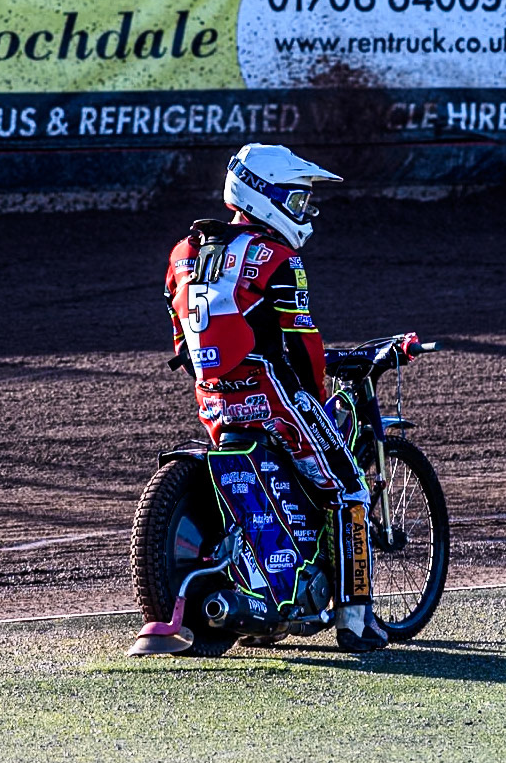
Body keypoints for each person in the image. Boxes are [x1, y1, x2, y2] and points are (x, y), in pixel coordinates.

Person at [164, 144, 397, 653]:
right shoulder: (279, 258)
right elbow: (302, 343)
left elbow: (180, 339)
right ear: (262, 195)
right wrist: (318, 398)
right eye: (296, 200)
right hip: (274, 398)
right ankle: (356, 622)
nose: (305, 213)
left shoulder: (183, 254)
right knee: (350, 489)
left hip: (214, 401)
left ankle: (267, 590)